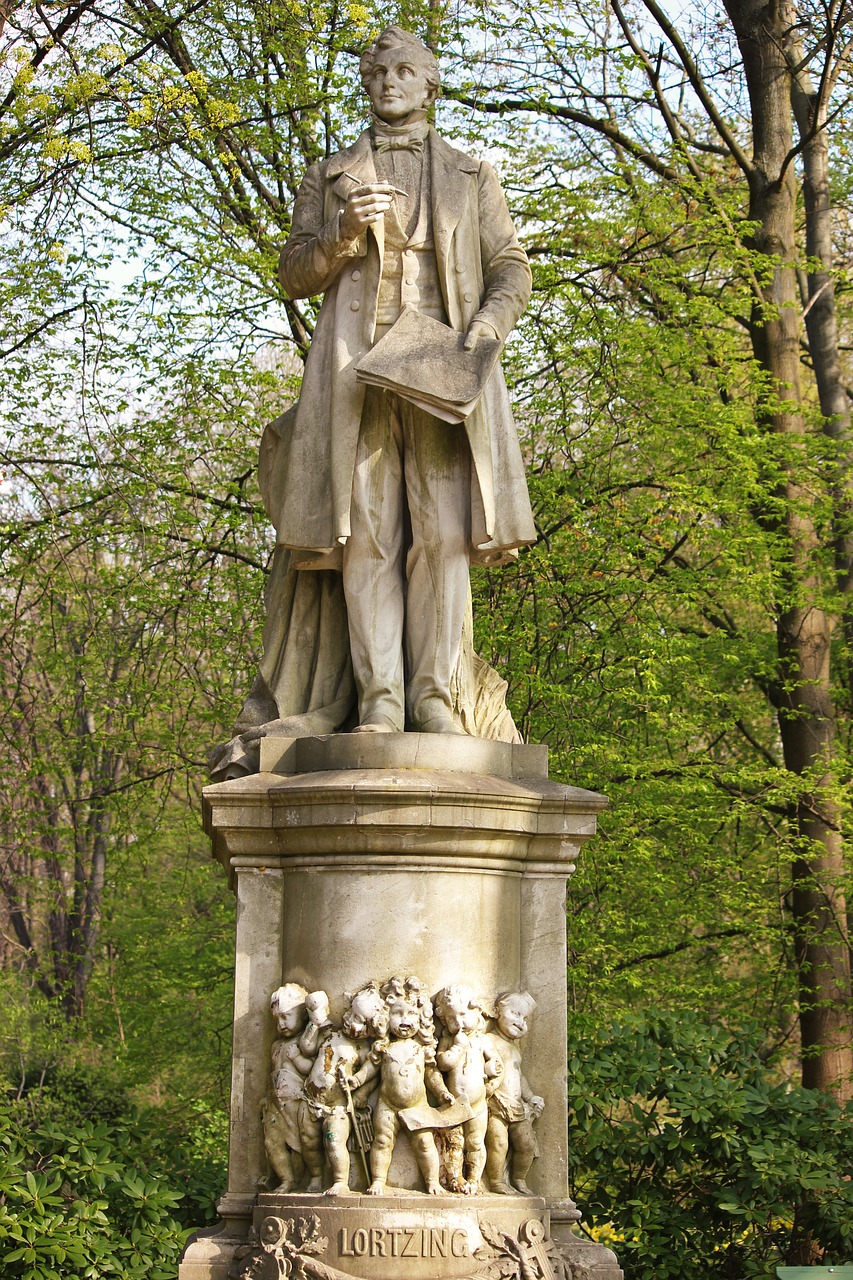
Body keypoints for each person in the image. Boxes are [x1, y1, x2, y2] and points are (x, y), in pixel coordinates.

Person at [274, 25, 535, 736]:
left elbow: (511, 266)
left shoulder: (470, 174)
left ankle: (433, 697)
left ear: (429, 84)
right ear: (367, 85)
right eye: (377, 72)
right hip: (356, 373)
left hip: (441, 369)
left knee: (446, 538)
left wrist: (484, 330)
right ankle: (381, 698)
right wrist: (337, 237)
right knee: (366, 538)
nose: (389, 82)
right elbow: (293, 275)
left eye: (404, 71)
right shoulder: (330, 175)